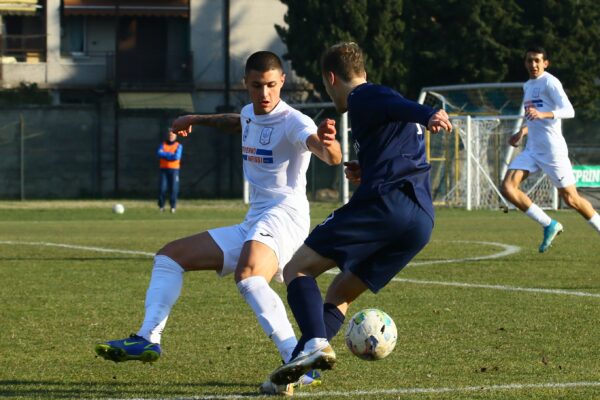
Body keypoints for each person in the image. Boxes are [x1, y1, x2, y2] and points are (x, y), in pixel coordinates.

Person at [94, 51, 342, 396]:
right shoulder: (249, 113)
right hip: (254, 221)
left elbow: (327, 154)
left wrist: (329, 146)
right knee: (169, 256)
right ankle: (147, 338)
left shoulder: (294, 121)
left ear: (282, 81)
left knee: (249, 275)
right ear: (247, 84)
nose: (265, 93)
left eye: (271, 85)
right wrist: (196, 117)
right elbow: (237, 121)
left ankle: (299, 357)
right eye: (257, 86)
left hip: (285, 217)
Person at [267, 42, 452, 386]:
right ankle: (293, 373)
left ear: (331, 78)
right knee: (339, 294)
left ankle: (316, 344)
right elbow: (399, 142)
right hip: (420, 221)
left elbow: (396, 105)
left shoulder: (363, 97)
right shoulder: (380, 100)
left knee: (297, 269)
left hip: (386, 205)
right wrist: (366, 170)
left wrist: (428, 115)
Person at [501, 46, 600, 253]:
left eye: (537, 60)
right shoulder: (527, 85)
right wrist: (523, 132)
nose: (533, 64)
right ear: (525, 63)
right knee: (508, 188)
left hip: (553, 151)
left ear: (546, 63)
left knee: (571, 199)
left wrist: (543, 115)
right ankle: (549, 224)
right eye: (529, 60)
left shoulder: (550, 82)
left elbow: (569, 111)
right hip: (532, 150)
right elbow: (534, 116)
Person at [157, 131, 183, 213]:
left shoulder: (178, 145)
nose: (171, 137)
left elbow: (176, 156)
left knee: (173, 189)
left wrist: (165, 155)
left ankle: (173, 207)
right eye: (169, 135)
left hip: (174, 170)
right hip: (163, 169)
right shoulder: (163, 144)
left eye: (172, 135)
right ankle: (161, 207)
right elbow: (159, 154)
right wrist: (170, 155)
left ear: (175, 136)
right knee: (162, 188)